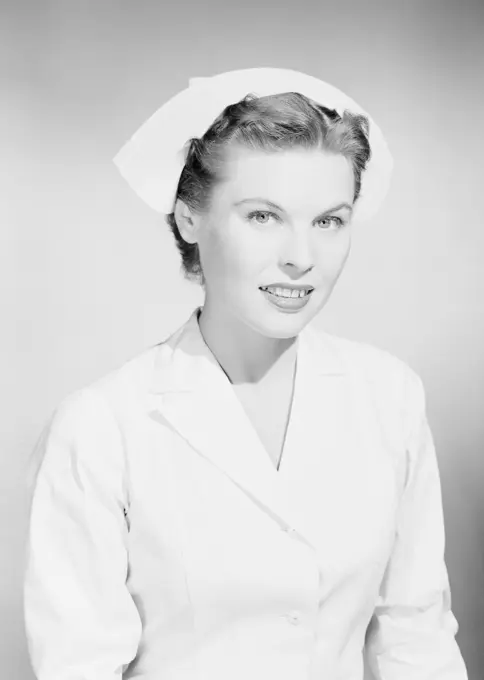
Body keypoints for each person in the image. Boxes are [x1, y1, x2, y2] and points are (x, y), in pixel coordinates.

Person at [22, 68, 468, 680]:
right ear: (188, 221)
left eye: (329, 221)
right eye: (262, 216)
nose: (300, 257)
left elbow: (415, 639)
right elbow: (78, 666)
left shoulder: (389, 397)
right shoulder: (103, 426)